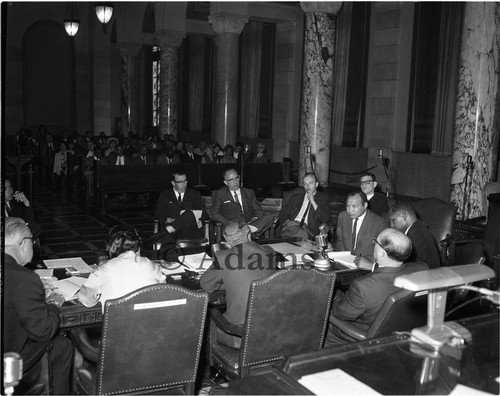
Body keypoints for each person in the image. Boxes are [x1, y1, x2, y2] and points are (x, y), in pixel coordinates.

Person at [325, 228, 428, 346]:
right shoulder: (421, 269)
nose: (374, 244)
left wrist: (332, 292)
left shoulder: (363, 286)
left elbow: (339, 313)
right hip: (400, 332)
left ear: (381, 253)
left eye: (376, 242)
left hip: (358, 336)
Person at [3, 217, 72, 394]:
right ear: (23, 243)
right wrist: (53, 303)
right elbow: (43, 331)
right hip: (11, 360)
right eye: (32, 241)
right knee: (63, 346)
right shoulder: (24, 279)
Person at [199, 222, 276, 348]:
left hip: (239, 334)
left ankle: (213, 361)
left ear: (227, 243)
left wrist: (228, 281)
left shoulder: (224, 257)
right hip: (270, 328)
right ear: (249, 235)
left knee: (209, 320)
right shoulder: (269, 251)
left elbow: (206, 285)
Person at [78, 225, 166, 312]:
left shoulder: (104, 269)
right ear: (137, 244)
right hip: (149, 323)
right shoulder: (151, 265)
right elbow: (164, 293)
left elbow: (86, 300)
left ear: (109, 246)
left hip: (117, 324)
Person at [211, 168, 275, 237]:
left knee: (270, 217)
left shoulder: (249, 192)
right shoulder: (220, 194)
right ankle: (248, 233)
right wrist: (229, 223)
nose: (235, 182)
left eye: (236, 178)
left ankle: (247, 232)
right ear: (226, 182)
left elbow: (258, 210)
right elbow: (214, 214)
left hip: (249, 223)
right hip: (232, 226)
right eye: (231, 180)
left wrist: (255, 218)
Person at [154, 171, 208, 243]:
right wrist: (166, 220)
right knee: (168, 240)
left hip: (190, 230)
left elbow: (204, 215)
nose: (184, 184)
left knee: (188, 214)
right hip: (172, 232)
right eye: (180, 182)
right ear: (173, 183)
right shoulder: (165, 195)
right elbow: (158, 215)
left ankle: (158, 235)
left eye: (185, 181)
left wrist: (198, 220)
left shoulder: (195, 194)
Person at [335, 191, 389, 258]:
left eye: (354, 206)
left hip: (366, 263)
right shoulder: (343, 216)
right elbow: (340, 241)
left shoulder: (379, 223)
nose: (350, 210)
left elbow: (383, 251)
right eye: (347, 206)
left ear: (365, 205)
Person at [277, 172, 330, 240]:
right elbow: (282, 213)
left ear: (316, 184)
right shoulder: (295, 197)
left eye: (310, 183)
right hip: (291, 226)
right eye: (305, 184)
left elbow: (326, 218)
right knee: (296, 233)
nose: (307, 186)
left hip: (309, 230)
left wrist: (313, 202)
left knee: (300, 235)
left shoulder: (323, 198)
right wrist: (287, 222)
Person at [389, 201, 441, 269]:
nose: (392, 225)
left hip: (427, 276)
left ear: (404, 215)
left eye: (393, 221)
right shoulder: (417, 227)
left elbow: (413, 266)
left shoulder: (416, 235)